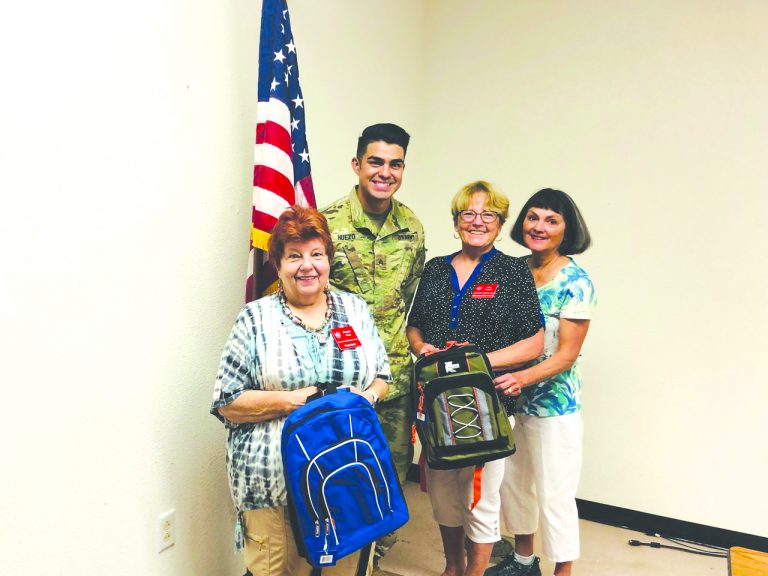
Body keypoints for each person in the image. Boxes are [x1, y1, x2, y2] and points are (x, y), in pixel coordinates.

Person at [210, 206, 391, 576]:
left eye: (316, 254)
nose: (307, 265)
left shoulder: (355, 310)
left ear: (328, 260)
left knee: (344, 568)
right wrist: (303, 401)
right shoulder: (254, 319)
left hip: (346, 474)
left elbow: (382, 376)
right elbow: (228, 401)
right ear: (277, 266)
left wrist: (364, 399)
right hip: (272, 481)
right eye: (294, 256)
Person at [406, 180, 544, 576]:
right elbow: (415, 326)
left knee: (481, 500)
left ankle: (474, 572)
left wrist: (478, 360)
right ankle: (452, 566)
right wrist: (421, 348)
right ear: (456, 222)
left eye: (489, 215)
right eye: (469, 213)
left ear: (500, 225)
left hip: (488, 403)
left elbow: (533, 342)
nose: (478, 221)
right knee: (444, 496)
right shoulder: (435, 269)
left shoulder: (513, 271)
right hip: (435, 403)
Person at [322, 123, 425, 570]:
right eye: (376, 162)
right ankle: (334, 556)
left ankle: (372, 558)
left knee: (390, 469)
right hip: (338, 376)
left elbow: (412, 298)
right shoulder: (325, 223)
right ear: (357, 164)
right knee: (337, 469)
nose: (385, 172)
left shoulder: (413, 228)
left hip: (396, 377)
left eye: (395, 163)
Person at [488, 189, 596, 576]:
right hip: (509, 404)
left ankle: (562, 571)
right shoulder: (512, 271)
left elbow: (566, 354)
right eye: (533, 217)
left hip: (554, 408)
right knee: (514, 486)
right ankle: (522, 561)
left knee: (555, 495)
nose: (539, 227)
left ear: (567, 230)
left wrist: (522, 377)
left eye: (552, 220)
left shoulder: (576, 281)